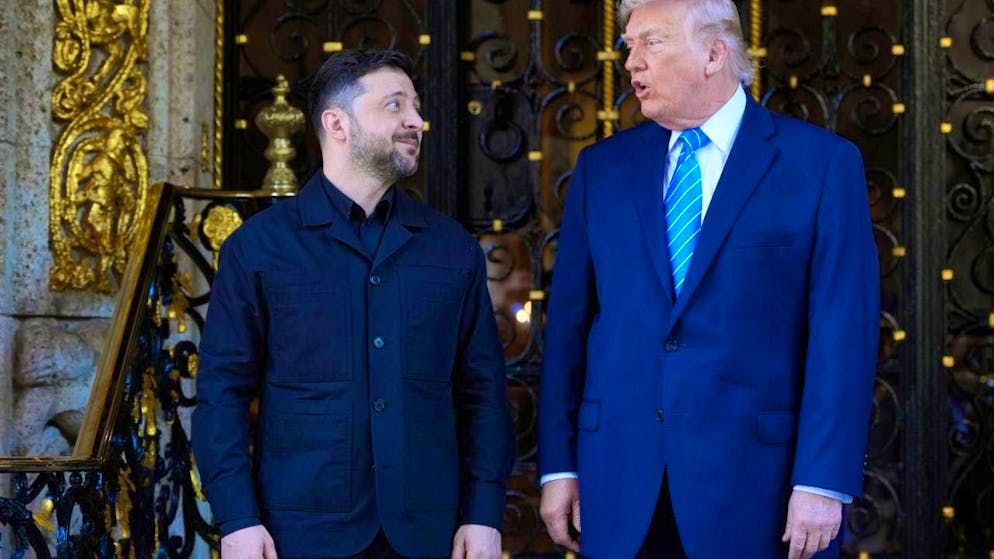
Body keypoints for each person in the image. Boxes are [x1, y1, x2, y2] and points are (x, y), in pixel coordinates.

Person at [537, 1, 879, 558]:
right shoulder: (602, 170)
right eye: (629, 46)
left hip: (758, 490)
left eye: (652, 42)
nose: (631, 63)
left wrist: (821, 481)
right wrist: (558, 466)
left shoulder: (820, 165)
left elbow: (844, 334)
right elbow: (568, 330)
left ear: (714, 53)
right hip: (620, 484)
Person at [192, 49, 515, 559]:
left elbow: (484, 394)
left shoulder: (452, 249)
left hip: (429, 535)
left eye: (415, 104)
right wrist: (236, 518)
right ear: (336, 124)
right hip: (297, 536)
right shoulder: (258, 248)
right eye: (394, 105)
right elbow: (222, 393)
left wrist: (483, 513)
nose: (416, 119)